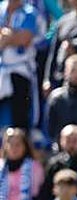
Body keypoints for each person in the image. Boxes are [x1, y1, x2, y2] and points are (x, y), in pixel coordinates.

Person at [0, 0, 38, 131]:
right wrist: (12, 36)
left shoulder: (29, 12)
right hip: (2, 70)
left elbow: (25, 39)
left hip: (21, 70)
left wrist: (6, 37)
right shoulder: (1, 8)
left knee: (20, 116)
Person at [0, 127, 41, 200]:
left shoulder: (35, 167)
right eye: (10, 144)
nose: (14, 148)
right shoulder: (0, 166)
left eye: (18, 144)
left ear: (24, 147)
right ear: (5, 146)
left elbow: (37, 197)